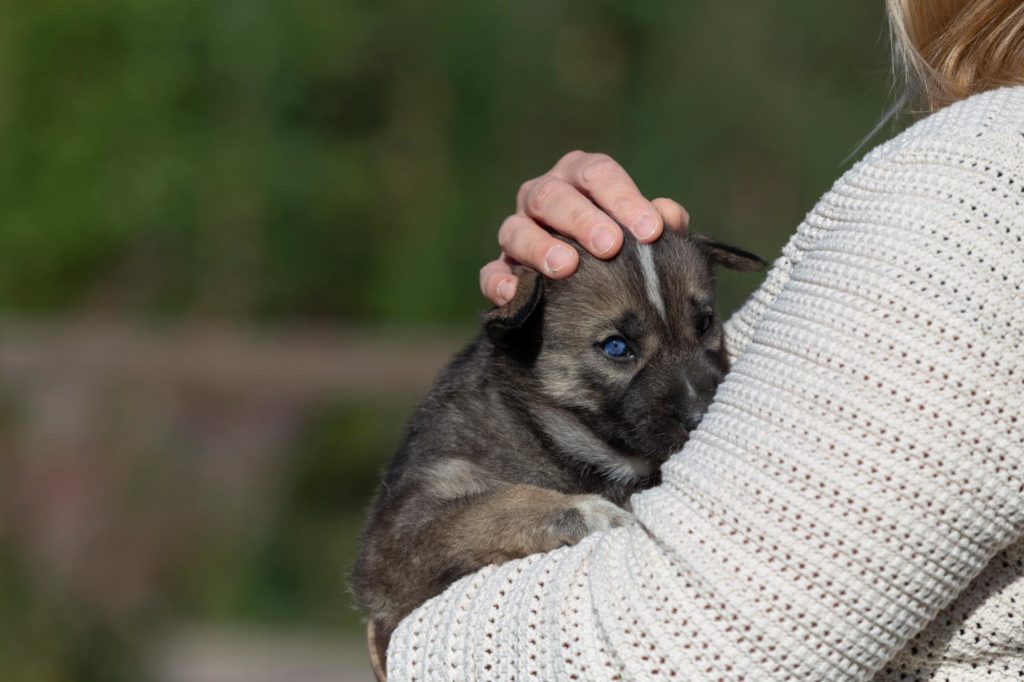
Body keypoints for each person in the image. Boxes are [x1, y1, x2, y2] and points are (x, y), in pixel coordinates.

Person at [388, 1, 1024, 679]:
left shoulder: (982, 174)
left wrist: (408, 647)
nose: (696, 400)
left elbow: (671, 651)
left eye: (703, 328)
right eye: (618, 350)